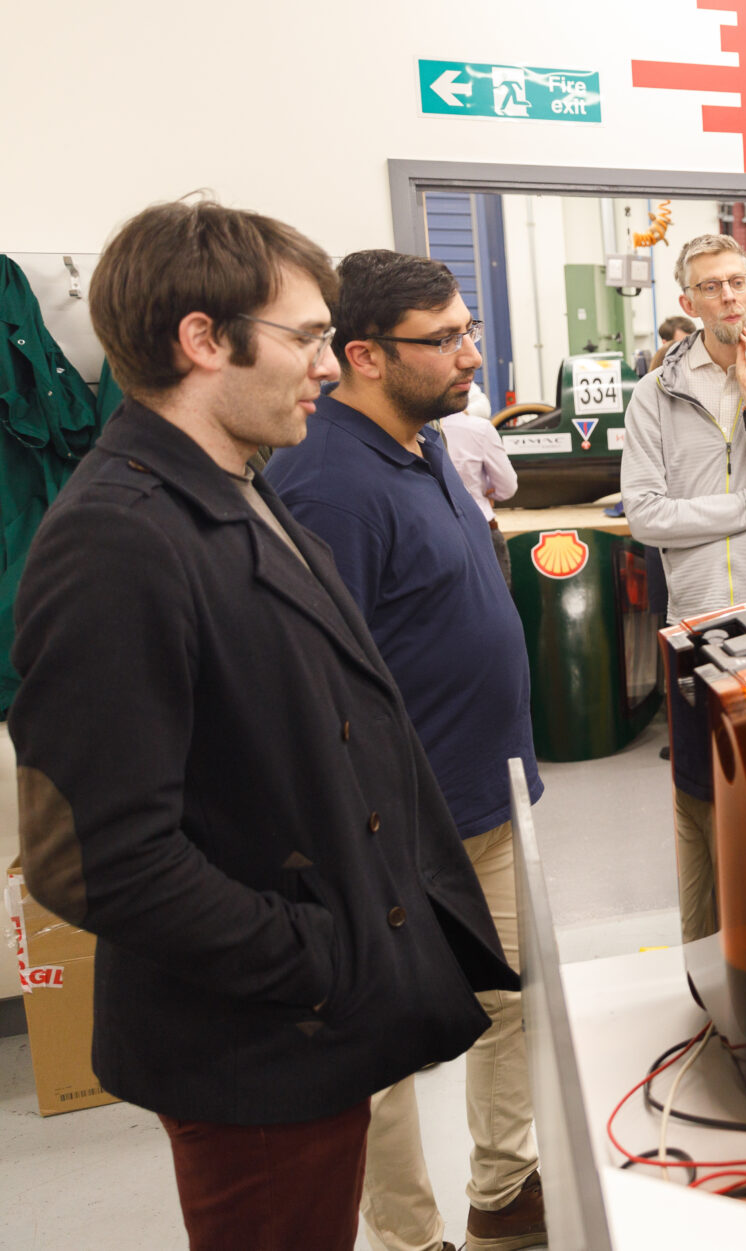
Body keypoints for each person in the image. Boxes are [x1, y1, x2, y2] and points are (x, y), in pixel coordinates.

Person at [9, 199, 515, 1251]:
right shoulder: (114, 540)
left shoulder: (239, 487)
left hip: (314, 1021)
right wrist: (318, 957)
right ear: (203, 338)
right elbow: (91, 860)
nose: (331, 367)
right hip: (257, 1045)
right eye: (306, 337)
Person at [263, 250, 544, 1251]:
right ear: (363, 357)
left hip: (482, 798)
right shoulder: (325, 480)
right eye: (446, 340)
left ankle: (504, 1191)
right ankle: (409, 1237)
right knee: (382, 1052)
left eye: (469, 329)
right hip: (393, 826)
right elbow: (317, 682)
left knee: (511, 1003)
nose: (470, 353)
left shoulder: (423, 444)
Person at [621, 232, 746, 943]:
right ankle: (707, 960)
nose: (729, 296)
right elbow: (645, 513)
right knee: (701, 803)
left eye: (739, 281)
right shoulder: (655, 396)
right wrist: (742, 510)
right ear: (688, 301)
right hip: (699, 625)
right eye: (711, 286)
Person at [441, 380, 519, 589]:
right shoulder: (480, 429)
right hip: (482, 526)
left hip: (438, 533)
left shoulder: (418, 430)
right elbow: (508, 486)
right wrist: (488, 491)